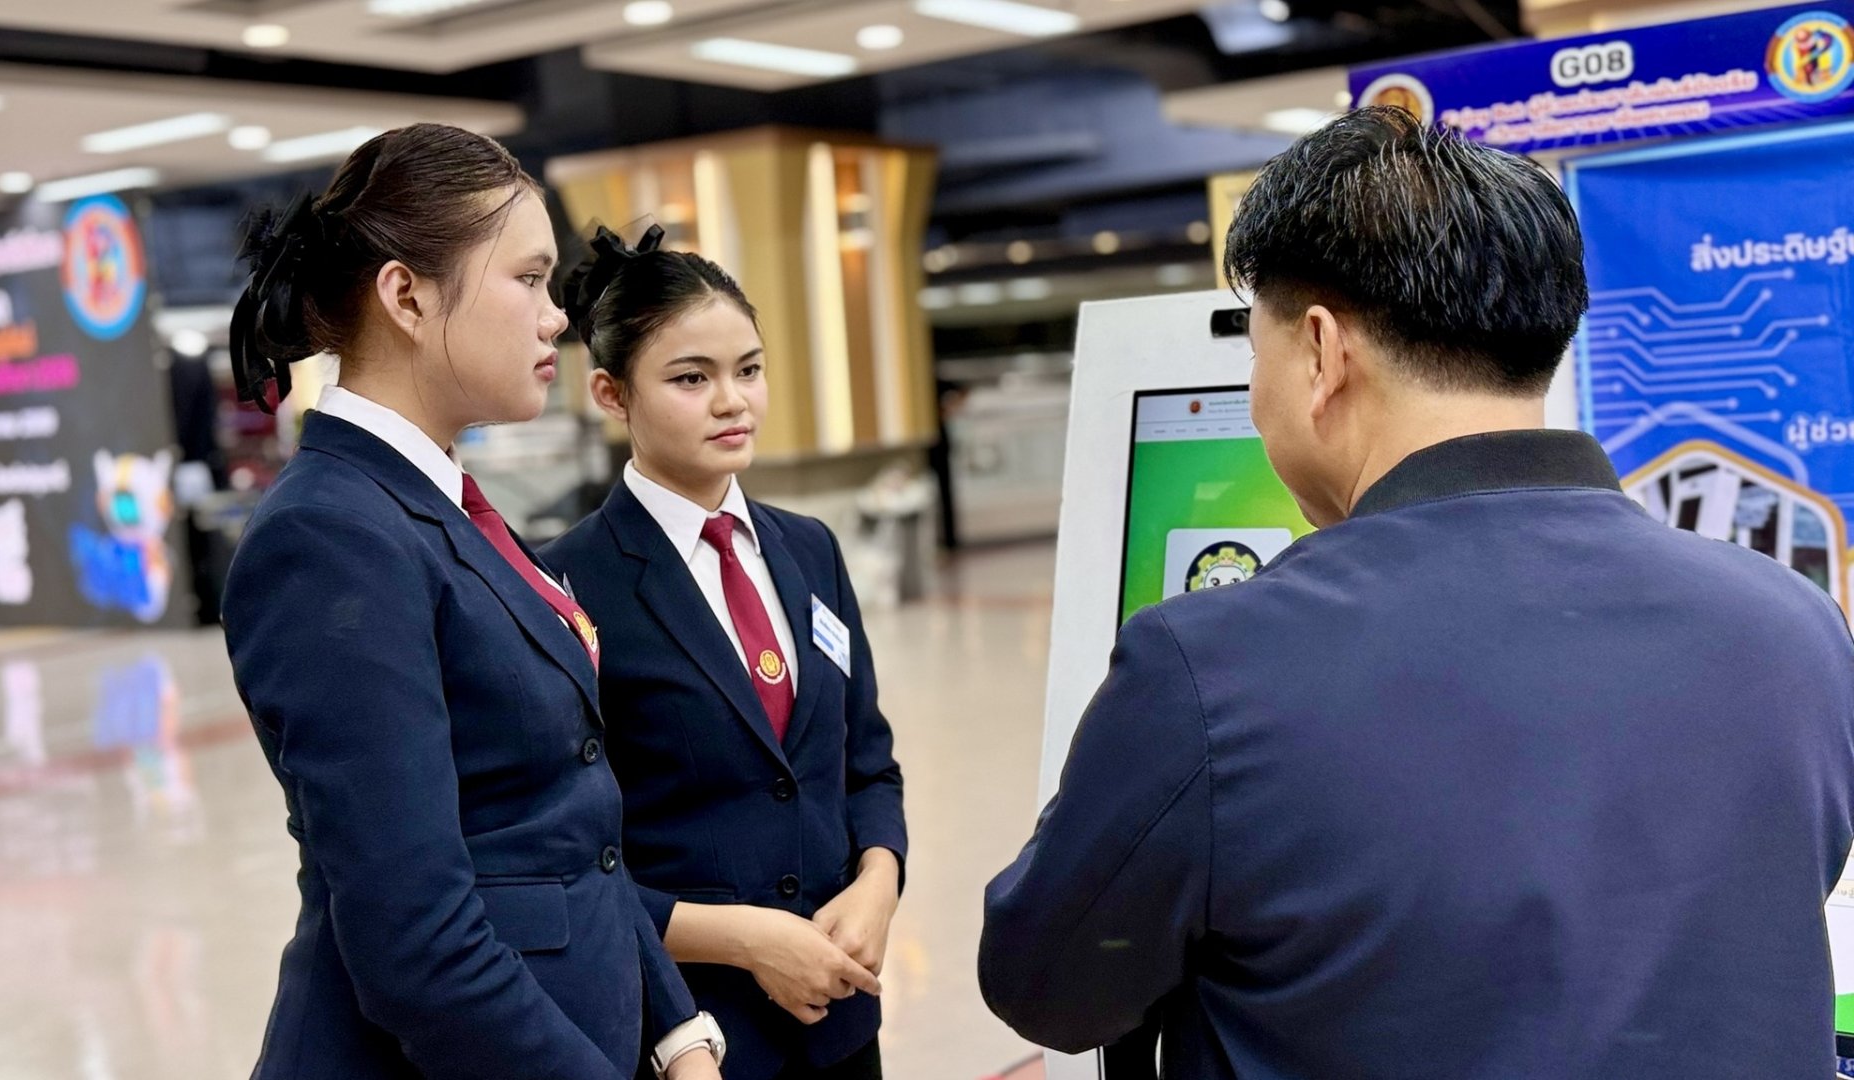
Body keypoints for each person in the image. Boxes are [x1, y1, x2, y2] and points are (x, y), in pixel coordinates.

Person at [979, 107, 1854, 1078]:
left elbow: (1046, 986)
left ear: (1321, 353)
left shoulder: (1209, 671)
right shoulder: (1795, 627)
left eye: (1257, 356)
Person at [220, 125, 723, 1080]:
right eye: (528, 279)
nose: (556, 317)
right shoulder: (329, 537)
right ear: (406, 296)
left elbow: (570, 837)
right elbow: (418, 944)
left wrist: (677, 1030)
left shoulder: (446, 508)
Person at [540, 224, 906, 1080]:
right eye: (691, 378)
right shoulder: (564, 584)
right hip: (690, 1035)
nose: (732, 401)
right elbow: (564, 859)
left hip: (841, 1018)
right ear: (611, 393)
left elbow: (867, 762)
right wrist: (743, 941)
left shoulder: (809, 549)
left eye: (748, 369)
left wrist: (878, 881)